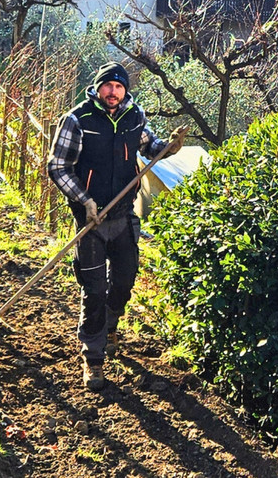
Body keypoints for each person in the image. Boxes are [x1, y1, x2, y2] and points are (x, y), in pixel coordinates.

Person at [48, 61, 167, 391]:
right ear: (97, 87)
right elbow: (58, 167)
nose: (113, 92)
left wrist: (167, 147)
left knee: (125, 280)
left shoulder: (134, 116)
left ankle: (111, 324)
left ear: (125, 90)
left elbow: (148, 144)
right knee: (94, 290)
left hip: (124, 214)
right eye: (107, 86)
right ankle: (94, 358)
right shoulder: (78, 120)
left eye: (119, 86)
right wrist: (84, 201)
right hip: (92, 221)